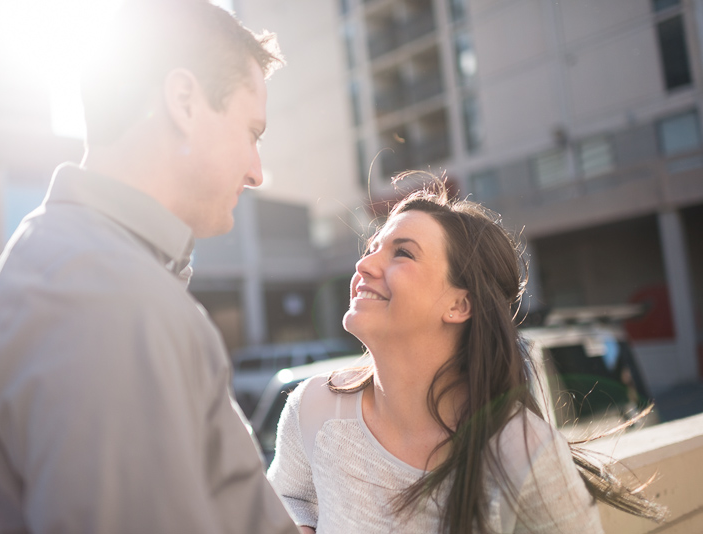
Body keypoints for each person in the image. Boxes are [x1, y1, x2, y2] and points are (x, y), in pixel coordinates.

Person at [0, 1, 299, 533]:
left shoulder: (92, 270)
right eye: (252, 132)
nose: (258, 172)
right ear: (185, 100)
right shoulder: (103, 295)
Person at [267, 177, 664, 533]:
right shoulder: (314, 409)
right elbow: (287, 497)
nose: (364, 264)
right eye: (371, 248)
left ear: (459, 305)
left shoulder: (522, 452)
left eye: (402, 253)